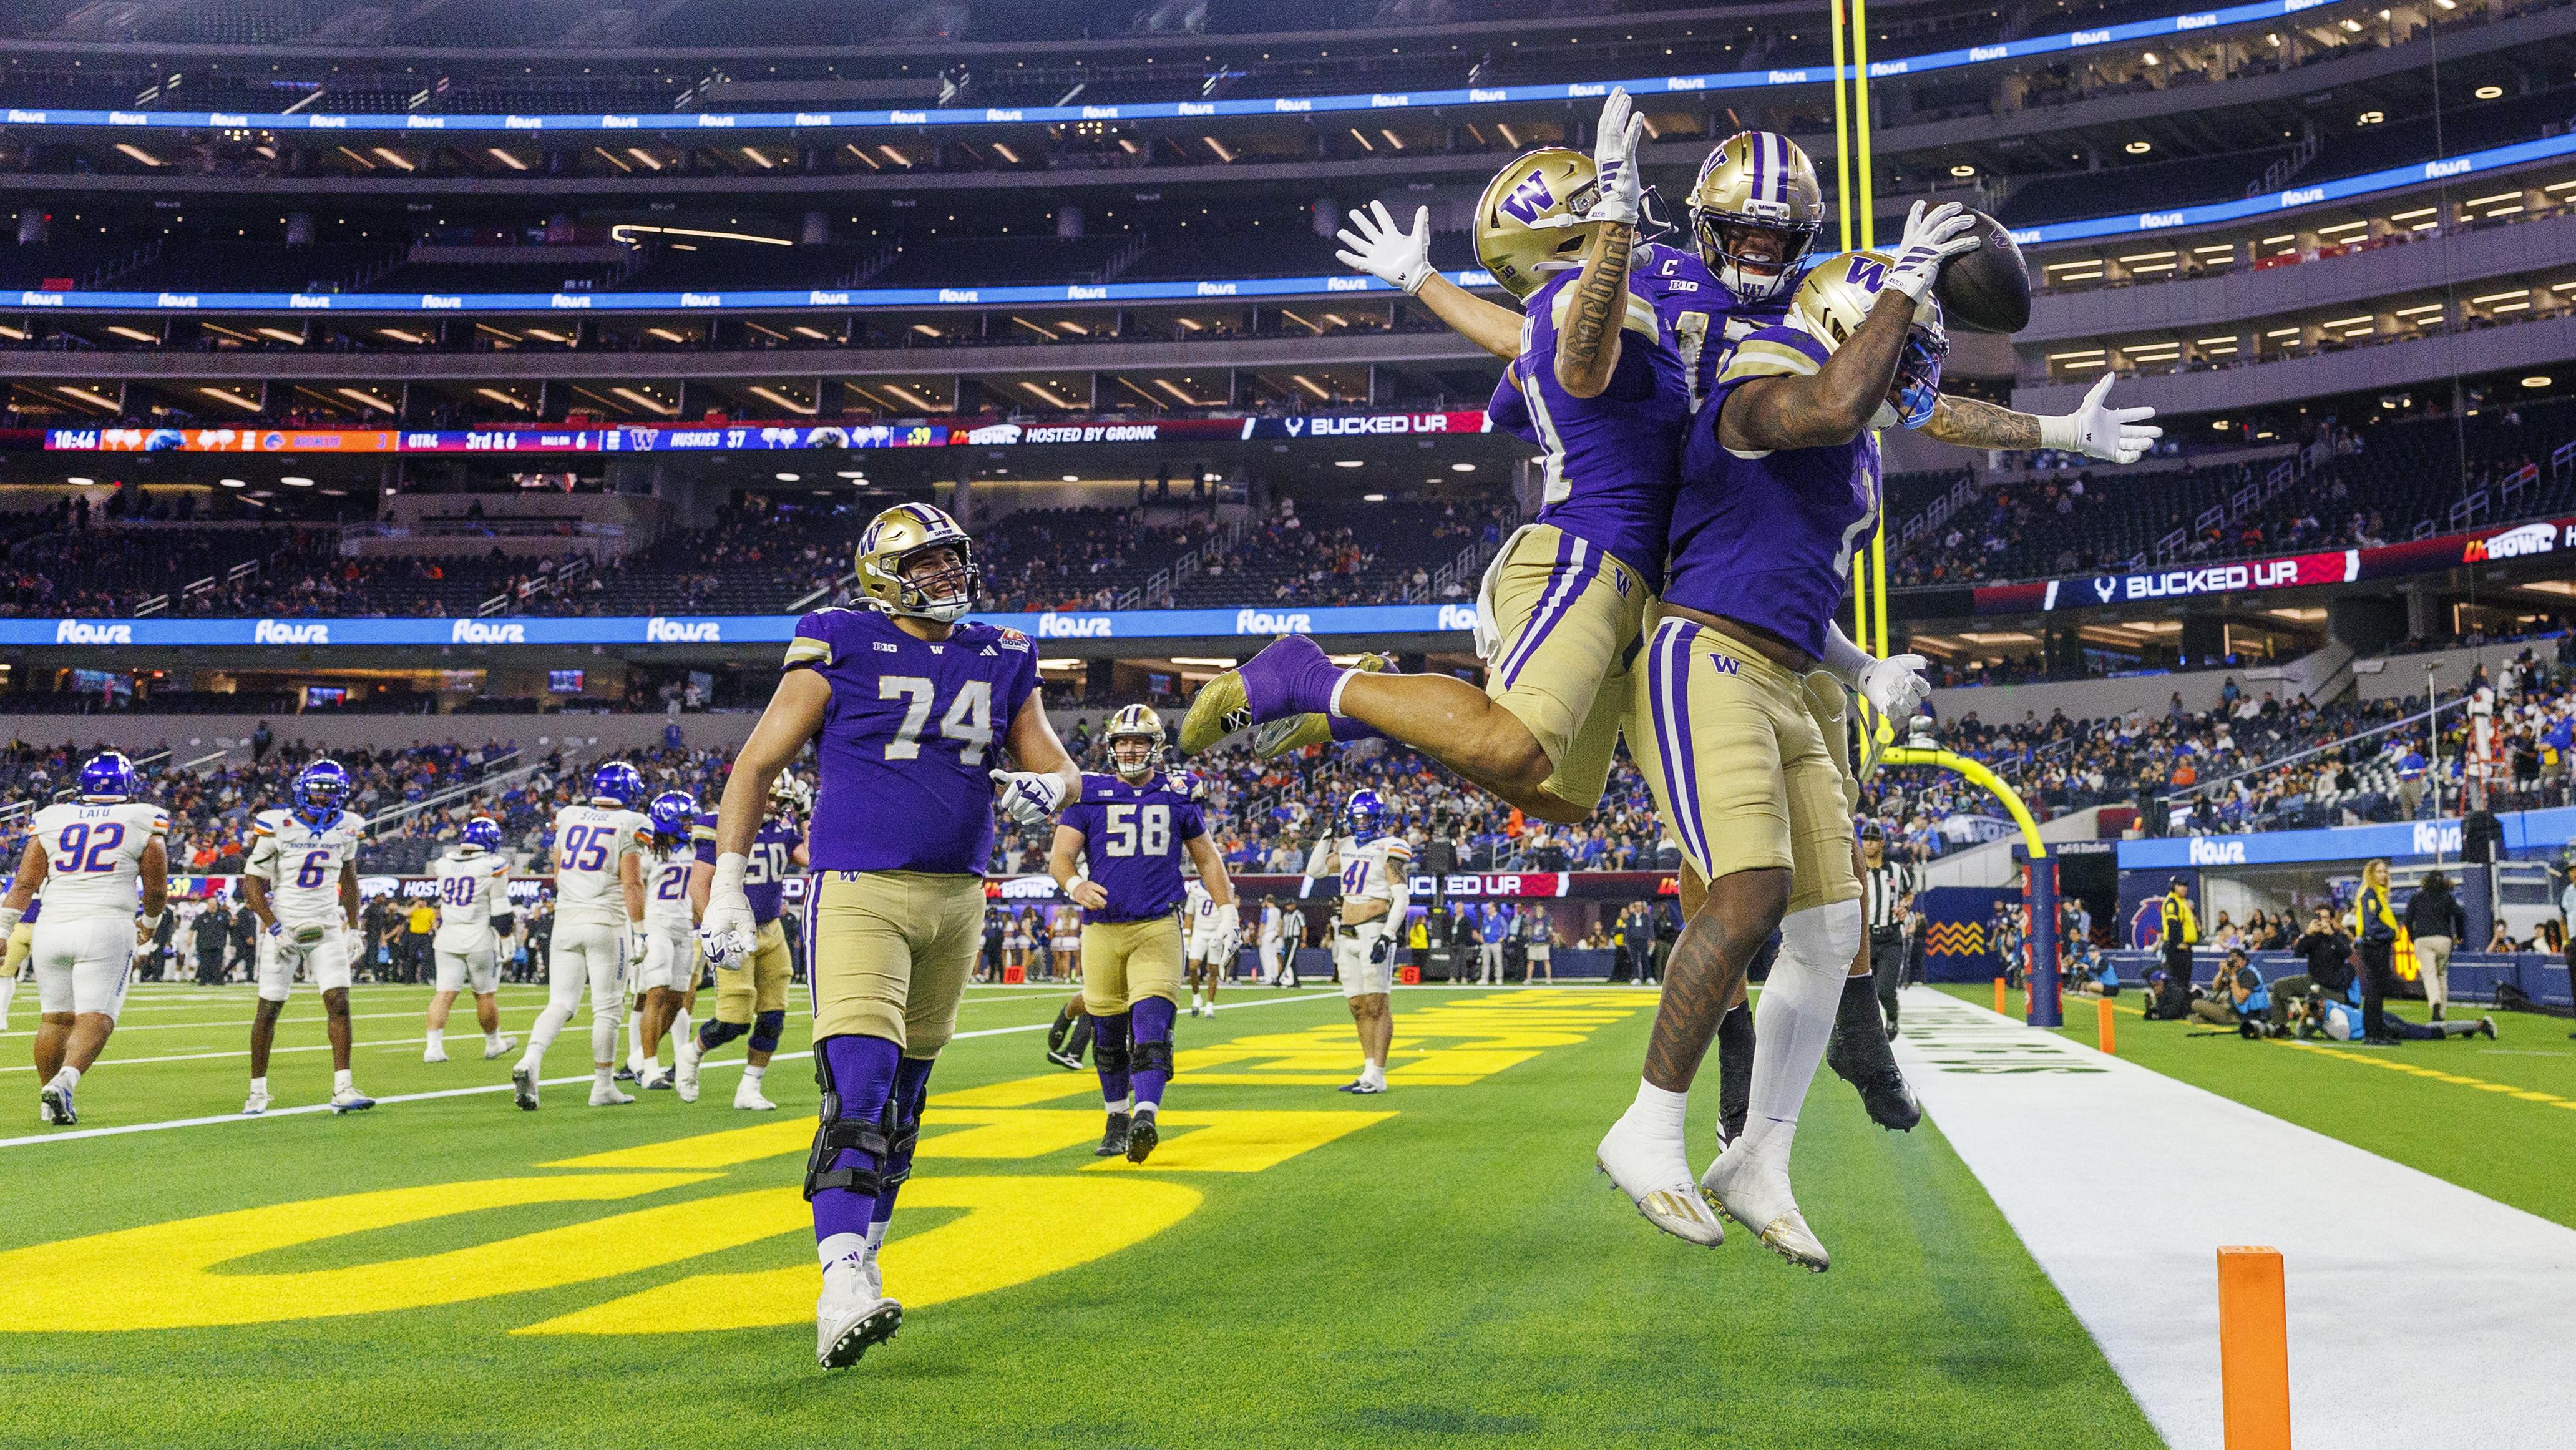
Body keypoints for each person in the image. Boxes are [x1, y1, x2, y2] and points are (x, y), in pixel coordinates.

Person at [1611, 212, 2152, 1265]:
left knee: (1828, 926)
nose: (1915, 368)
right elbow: (1834, 396)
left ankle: (1758, 1152)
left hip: (1785, 663)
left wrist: (1863, 667)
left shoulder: (1851, 444)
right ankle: (1645, 1129)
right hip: (1701, 655)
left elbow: (1809, 546)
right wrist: (1902, 285)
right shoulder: (1761, 381)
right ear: (1854, 320)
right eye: (1902, 338)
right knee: (1749, 893)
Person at [1183, 92, 1727, 826]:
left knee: (1560, 798)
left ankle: (1371, 707)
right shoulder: (1580, 304)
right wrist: (1617, 230)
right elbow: (1579, 360)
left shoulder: (1559, 313)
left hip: (1631, 570)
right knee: (1513, 750)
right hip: (1590, 553)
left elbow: (1522, 363)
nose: (1617, 206)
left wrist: (1423, 283)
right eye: (1595, 200)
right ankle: (1308, 677)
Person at [694, 501, 1078, 1370]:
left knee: (905, 1103)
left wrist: (1044, 791)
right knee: (858, 1085)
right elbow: (757, 763)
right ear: (883, 573)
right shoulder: (839, 638)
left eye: (952, 560)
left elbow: (1061, 768)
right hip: (862, 884)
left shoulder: (1002, 650)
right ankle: (838, 1283)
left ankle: (865, 1262)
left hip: (959, 896)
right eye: (929, 563)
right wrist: (726, 880)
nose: (947, 575)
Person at [1051, 702, 1233, 1161]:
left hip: (1156, 926)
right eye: (1123, 741)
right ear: (1111, 746)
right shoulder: (1088, 793)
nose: (1130, 749)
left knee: (1153, 1026)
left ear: (1157, 747)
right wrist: (1075, 884)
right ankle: (1116, 1116)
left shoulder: (1176, 793)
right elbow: (1061, 858)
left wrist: (1228, 910)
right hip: (1103, 930)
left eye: (1139, 741)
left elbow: (1207, 858)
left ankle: (1145, 1114)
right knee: (1109, 1035)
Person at [1, 752, 167, 1126]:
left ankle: (48, 1104)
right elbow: (156, 890)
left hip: (52, 926)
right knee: (98, 1016)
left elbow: (25, 883)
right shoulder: (142, 818)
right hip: (106, 925)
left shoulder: (52, 818)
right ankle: (66, 1080)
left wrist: (2, 928)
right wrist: (151, 925)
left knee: (55, 1019)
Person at [511, 761, 650, 1109]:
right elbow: (632, 882)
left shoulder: (570, 815)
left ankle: (530, 1060)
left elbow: (558, 874)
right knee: (607, 1009)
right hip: (605, 922)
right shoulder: (631, 823)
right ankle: (603, 1087)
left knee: (560, 1003)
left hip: (566, 921)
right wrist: (641, 932)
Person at [241, 760, 372, 1116]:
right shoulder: (278, 824)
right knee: (268, 1009)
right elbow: (251, 883)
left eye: (328, 792)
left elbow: (350, 881)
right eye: (316, 789)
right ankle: (257, 1092)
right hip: (286, 925)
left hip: (327, 927)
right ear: (301, 789)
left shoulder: (348, 827)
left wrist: (354, 926)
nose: (320, 796)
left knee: (340, 1003)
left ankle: (343, 1087)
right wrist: (274, 926)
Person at [678, 772, 808, 1110]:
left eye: (782, 801)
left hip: (772, 929)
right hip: (735, 930)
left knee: (773, 1016)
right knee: (734, 1021)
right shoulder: (722, 825)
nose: (777, 806)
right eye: (772, 798)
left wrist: (807, 817)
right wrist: (718, 928)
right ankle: (691, 1054)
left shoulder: (783, 828)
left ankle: (750, 1088)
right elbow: (697, 886)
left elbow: (813, 857)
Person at [1307, 789, 1412, 1094]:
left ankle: (1378, 1074)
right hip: (1347, 932)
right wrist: (1327, 834)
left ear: (1378, 818)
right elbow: (1314, 870)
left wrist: (1388, 935)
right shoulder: (1347, 843)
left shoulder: (1389, 847)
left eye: (1367, 817)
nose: (1362, 823)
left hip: (1374, 929)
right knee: (1356, 1005)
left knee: (1377, 1004)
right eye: (1357, 818)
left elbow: (1401, 895)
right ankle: (1368, 1070)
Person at [424, 815, 519, 1064]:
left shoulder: (444, 863)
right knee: (485, 994)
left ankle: (433, 1048)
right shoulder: (492, 865)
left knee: (443, 993)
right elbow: (500, 909)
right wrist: (507, 938)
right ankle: (493, 1043)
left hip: (448, 936)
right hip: (478, 936)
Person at [625, 790, 698, 1087]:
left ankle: (640, 1057)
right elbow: (631, 887)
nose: (689, 825)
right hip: (657, 928)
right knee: (655, 994)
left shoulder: (695, 849)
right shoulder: (646, 852)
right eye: (684, 819)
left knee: (678, 1000)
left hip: (684, 929)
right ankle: (651, 1070)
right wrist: (638, 930)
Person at [1858, 823, 1913, 1037]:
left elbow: (1909, 894)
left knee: (1884, 990)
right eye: (1865, 839)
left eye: (1873, 839)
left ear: (1881, 843)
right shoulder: (1856, 870)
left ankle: (1892, 1015)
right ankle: (1868, 1031)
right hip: (1865, 939)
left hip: (1890, 937)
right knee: (1862, 992)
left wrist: (1905, 907)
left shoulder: (1896, 870)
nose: (1869, 843)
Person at [2270, 906, 2356, 1033]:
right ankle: (2282, 1026)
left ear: (2332, 920)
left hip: (2332, 989)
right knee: (2279, 986)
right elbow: (2298, 953)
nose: (2321, 921)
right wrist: (2307, 934)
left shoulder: (2340, 936)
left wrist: (2331, 934)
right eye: (2318, 918)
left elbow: (2347, 953)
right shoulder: (2313, 937)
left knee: (2323, 1019)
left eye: (2325, 918)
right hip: (2313, 981)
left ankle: (2312, 1024)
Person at [2353, 858, 2404, 1044]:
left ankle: (2376, 1032)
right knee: (2375, 989)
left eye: (2385, 872)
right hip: (2374, 946)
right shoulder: (2370, 894)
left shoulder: (2377, 894)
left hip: (2377, 945)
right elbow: (2371, 925)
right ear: (2371, 874)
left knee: (2377, 989)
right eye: (2379, 872)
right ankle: (2373, 1034)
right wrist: (2391, 932)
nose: (2383, 875)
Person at [2404, 870, 2467, 1022]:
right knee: (2442, 976)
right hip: (2444, 939)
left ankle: (2435, 1003)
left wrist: (2414, 938)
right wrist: (2459, 935)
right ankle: (2442, 1015)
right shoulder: (2448, 897)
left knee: (2429, 974)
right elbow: (2459, 914)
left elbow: (2407, 920)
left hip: (2423, 939)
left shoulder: (2417, 897)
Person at [1180, 870, 1237, 1019]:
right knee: (1193, 966)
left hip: (1215, 933)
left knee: (1213, 970)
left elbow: (1230, 913)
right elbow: (1189, 914)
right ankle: (1196, 996)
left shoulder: (1226, 887)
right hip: (1199, 931)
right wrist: (1187, 936)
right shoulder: (1195, 888)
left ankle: (1210, 1006)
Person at [2153, 878, 2199, 1020]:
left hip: (2185, 948)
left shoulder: (2181, 901)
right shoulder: (2172, 902)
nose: (2185, 888)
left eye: (2186, 885)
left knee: (2184, 982)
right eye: (2181, 885)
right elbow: (2173, 924)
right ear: (2173, 887)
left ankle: (2182, 1010)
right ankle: (2174, 1011)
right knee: (2178, 982)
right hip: (2178, 949)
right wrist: (2178, 943)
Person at [2190, 949, 2268, 1027]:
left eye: (2236, 960)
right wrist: (2221, 971)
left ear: (2244, 961)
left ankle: (2218, 1019)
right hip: (2233, 1010)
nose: (2234, 963)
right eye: (2232, 960)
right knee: (2194, 1017)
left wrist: (2233, 976)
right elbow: (2216, 988)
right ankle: (2211, 1018)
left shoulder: (2249, 974)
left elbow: (2240, 1000)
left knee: (2196, 1004)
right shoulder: (2238, 972)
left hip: (2241, 1016)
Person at [192, 898, 231, 986]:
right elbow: (193, 928)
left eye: (214, 905)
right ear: (208, 905)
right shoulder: (202, 917)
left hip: (218, 944)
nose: (213, 907)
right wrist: (190, 940)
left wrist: (232, 923)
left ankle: (217, 980)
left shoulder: (223, 916)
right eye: (211, 905)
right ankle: (204, 980)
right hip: (204, 944)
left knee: (217, 963)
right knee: (205, 963)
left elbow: (229, 927)